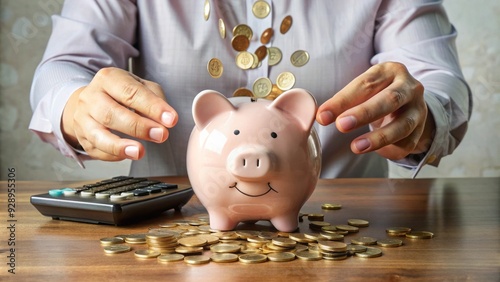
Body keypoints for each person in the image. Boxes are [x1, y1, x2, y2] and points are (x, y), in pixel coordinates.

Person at [29, 0, 471, 178]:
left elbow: (437, 78)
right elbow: (65, 67)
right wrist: (74, 104)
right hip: (168, 228)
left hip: (340, 229)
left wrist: (422, 113)